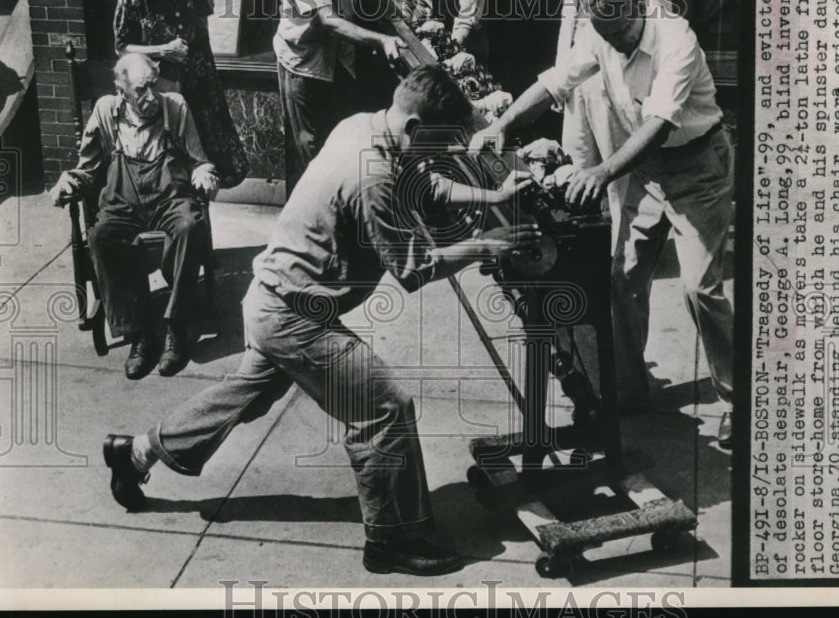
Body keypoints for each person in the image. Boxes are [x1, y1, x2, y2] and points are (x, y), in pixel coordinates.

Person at [103, 65, 542, 575]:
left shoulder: (365, 125)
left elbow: (425, 186)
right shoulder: (373, 176)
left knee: (246, 394)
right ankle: (391, 541)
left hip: (272, 295)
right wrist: (491, 243)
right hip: (294, 315)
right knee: (384, 408)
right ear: (416, 130)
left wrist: (493, 197)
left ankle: (133, 454)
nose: (441, 158)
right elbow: (414, 269)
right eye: (438, 147)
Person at [471, 0, 734, 448]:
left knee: (699, 288)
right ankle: (629, 391)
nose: (612, 43)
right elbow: (556, 83)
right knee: (621, 279)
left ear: (638, 7)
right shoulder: (599, 33)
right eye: (603, 33)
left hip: (698, 169)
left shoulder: (677, 39)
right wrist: (502, 125)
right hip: (647, 171)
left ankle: (740, 400)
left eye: (619, 32)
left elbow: (658, 124)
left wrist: (600, 172)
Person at [50, 53, 219, 379]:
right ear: (121, 91)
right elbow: (87, 170)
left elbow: (200, 161)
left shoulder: (175, 106)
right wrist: (66, 181)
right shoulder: (105, 111)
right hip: (122, 202)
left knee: (189, 225)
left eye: (153, 86)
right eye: (141, 90)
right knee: (101, 236)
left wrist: (204, 175)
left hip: (170, 198)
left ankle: (175, 328)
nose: (151, 96)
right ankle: (140, 334)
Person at [548, 0, 673, 239]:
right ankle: (585, 259)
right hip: (577, 75)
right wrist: (560, 74)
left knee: (619, 183)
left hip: (616, 76)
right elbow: (570, 12)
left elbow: (654, 15)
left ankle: (625, 265)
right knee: (575, 167)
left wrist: (643, 85)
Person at [274, 0, 408, 195]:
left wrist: (404, 26)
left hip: (341, 61)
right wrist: (382, 39)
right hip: (304, 64)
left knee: (343, 142)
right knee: (311, 149)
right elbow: (328, 22)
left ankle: (341, 216)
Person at [114, 0, 249, 189]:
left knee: (209, 167)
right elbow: (121, 46)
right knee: (173, 167)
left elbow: (206, 16)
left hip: (200, 81)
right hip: (161, 85)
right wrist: (163, 50)